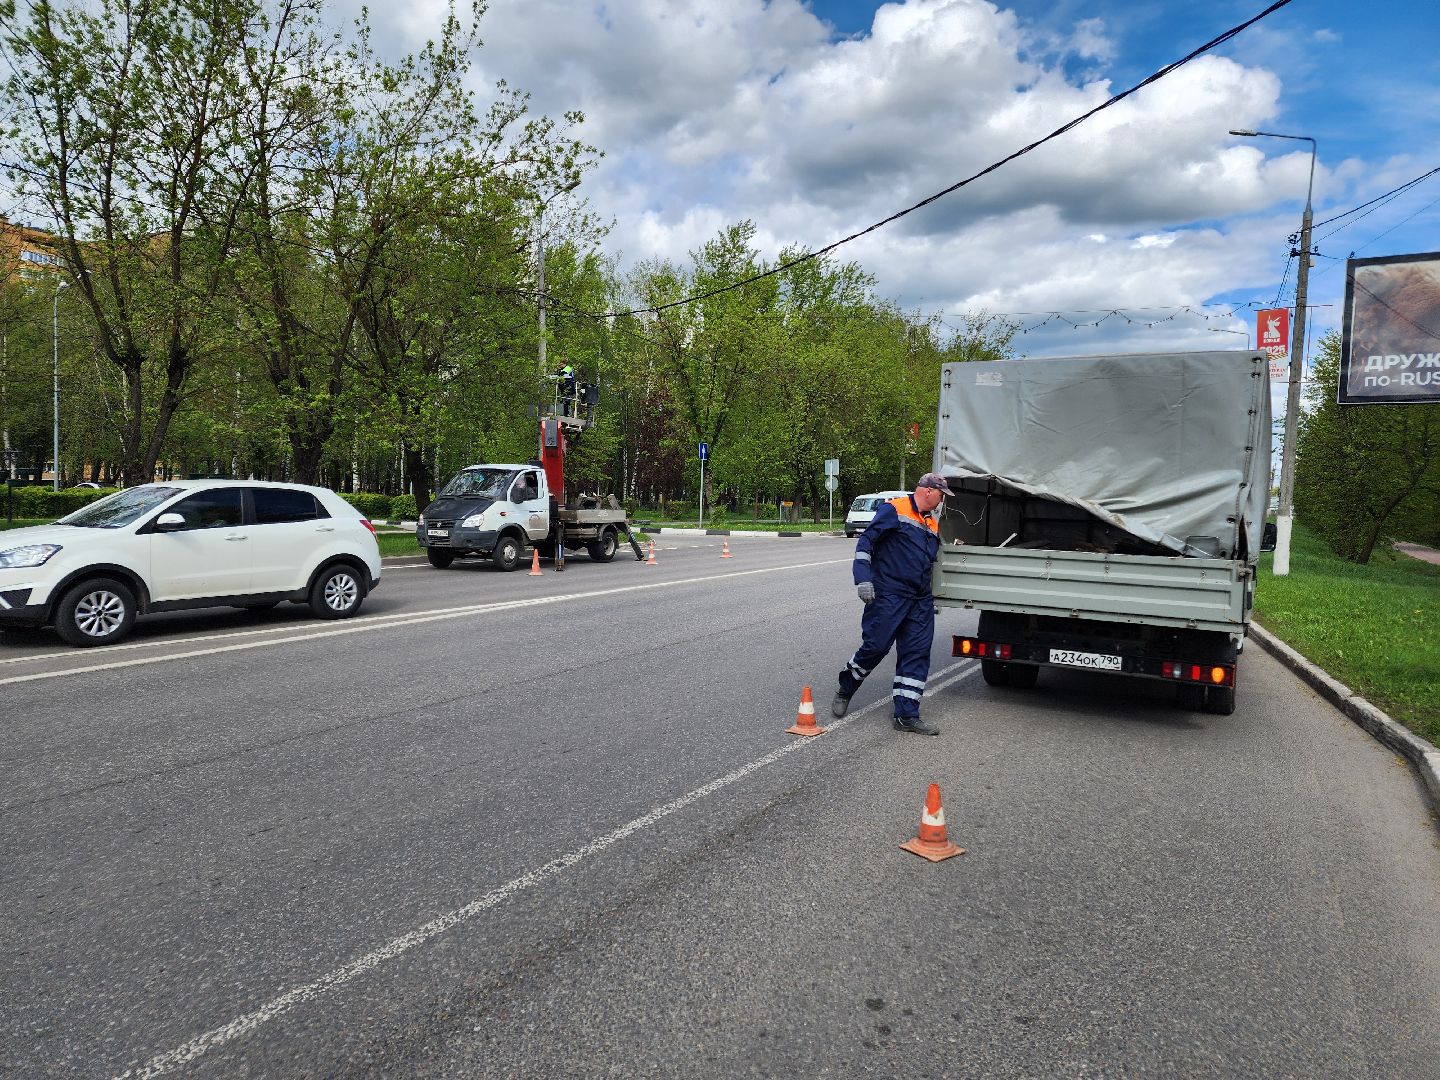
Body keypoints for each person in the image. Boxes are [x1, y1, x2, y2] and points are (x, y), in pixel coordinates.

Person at [831, 472, 953, 735]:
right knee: (875, 647)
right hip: (889, 595)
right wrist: (863, 579)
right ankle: (846, 688)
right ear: (929, 491)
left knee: (916, 653)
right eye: (942, 495)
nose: (942, 501)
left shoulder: (932, 523)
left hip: (919, 600)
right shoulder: (894, 509)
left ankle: (906, 715)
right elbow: (866, 543)